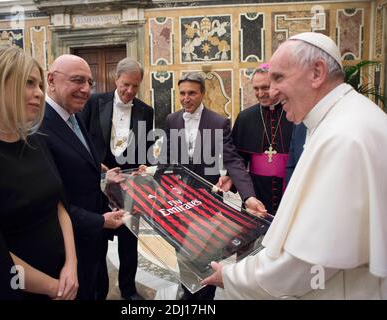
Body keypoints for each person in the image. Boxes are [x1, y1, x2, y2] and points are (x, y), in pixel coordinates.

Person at [201, 32, 387, 299]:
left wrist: (231, 277)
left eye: (279, 78)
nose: (272, 92)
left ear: (317, 73)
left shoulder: (344, 136)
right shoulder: (344, 118)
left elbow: (305, 262)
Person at [0, 46, 78, 300]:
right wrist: (52, 288)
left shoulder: (36, 140)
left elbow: (59, 204)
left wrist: (72, 265)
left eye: (40, 84)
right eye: (29, 83)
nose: (40, 93)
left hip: (64, 280)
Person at [164, 72, 266, 300]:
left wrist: (248, 196)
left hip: (207, 201)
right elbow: (167, 158)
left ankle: (205, 294)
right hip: (179, 200)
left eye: (191, 93)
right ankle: (187, 286)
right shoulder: (172, 120)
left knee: (207, 251)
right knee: (181, 248)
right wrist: (159, 179)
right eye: (182, 93)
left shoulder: (218, 122)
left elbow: (233, 161)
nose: (186, 98)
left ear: (202, 93)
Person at [40, 54, 124, 300]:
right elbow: (51, 201)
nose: (86, 89)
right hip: (67, 248)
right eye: (77, 80)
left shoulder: (73, 116)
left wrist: (105, 176)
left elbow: (76, 166)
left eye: (89, 82)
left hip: (92, 241)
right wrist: (99, 221)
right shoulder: (39, 126)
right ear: (51, 80)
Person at [80, 57, 153, 300]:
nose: (130, 91)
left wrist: (145, 165)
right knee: (98, 243)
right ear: (116, 80)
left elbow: (146, 147)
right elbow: (82, 139)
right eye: (125, 85)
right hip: (97, 185)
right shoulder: (93, 102)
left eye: (135, 86)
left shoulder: (146, 110)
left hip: (129, 188)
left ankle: (128, 290)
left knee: (129, 244)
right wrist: (98, 169)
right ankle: (99, 290)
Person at [231, 64, 293, 215]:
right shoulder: (245, 117)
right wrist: (230, 178)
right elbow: (237, 158)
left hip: (289, 187)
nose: (260, 93)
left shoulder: (294, 113)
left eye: (265, 87)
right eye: (256, 88)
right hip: (256, 189)